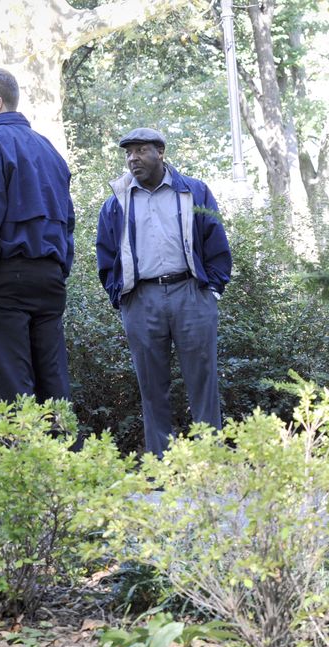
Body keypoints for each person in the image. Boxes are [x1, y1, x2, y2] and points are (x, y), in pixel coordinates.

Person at [94, 128, 232, 457]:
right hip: (141, 300)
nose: (133, 158)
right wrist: (121, 297)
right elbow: (105, 253)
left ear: (161, 152)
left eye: (141, 150)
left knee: (203, 382)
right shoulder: (116, 202)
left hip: (191, 293)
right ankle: (161, 464)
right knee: (151, 388)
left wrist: (212, 289)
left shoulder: (194, 192)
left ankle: (208, 464)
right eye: (128, 153)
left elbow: (215, 240)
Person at [0, 66, 75, 404]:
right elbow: (67, 219)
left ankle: (26, 457)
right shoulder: (47, 149)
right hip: (49, 278)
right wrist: (59, 268)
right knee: (53, 382)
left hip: (1, 280)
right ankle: (65, 455)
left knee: (12, 387)